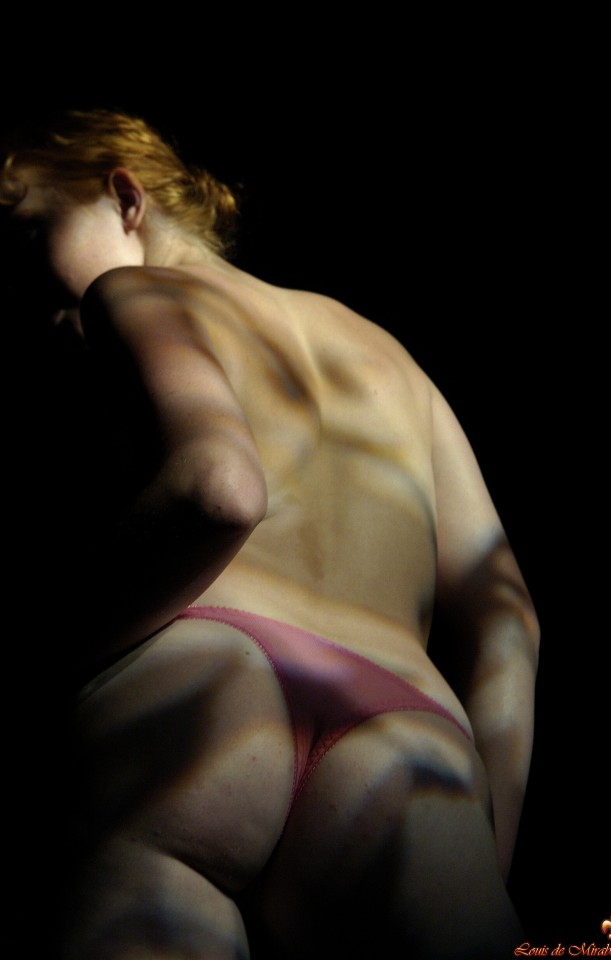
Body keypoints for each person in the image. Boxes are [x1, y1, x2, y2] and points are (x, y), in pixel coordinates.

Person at [0, 108, 540, 960]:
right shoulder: (394, 360)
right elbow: (510, 620)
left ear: (125, 198)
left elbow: (219, 488)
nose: (22, 291)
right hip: (404, 739)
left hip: (209, 688)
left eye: (30, 236)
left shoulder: (134, 294)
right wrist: (480, 841)